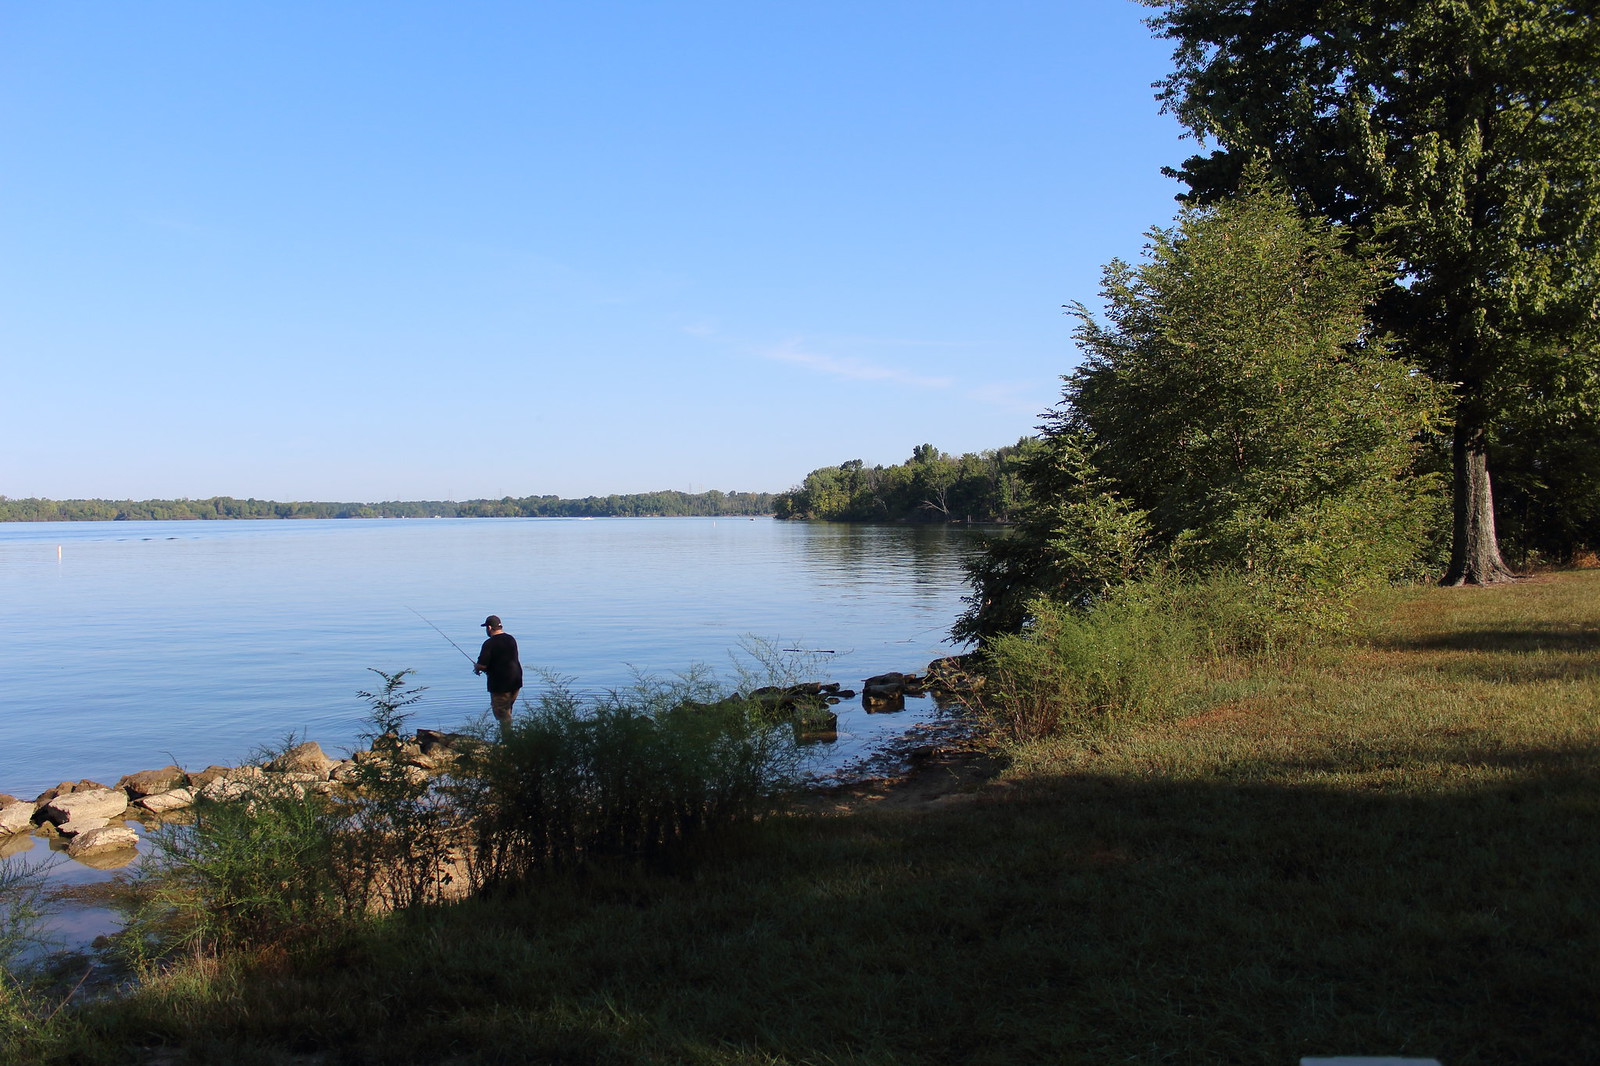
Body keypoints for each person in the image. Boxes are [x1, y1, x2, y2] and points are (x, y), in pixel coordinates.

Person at [473, 614, 523, 727]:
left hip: (501, 685)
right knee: (507, 710)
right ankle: (511, 735)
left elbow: (482, 665)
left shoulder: (489, 643)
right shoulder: (511, 639)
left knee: (502, 714)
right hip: (516, 681)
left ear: (489, 627)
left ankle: (507, 737)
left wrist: (476, 667)